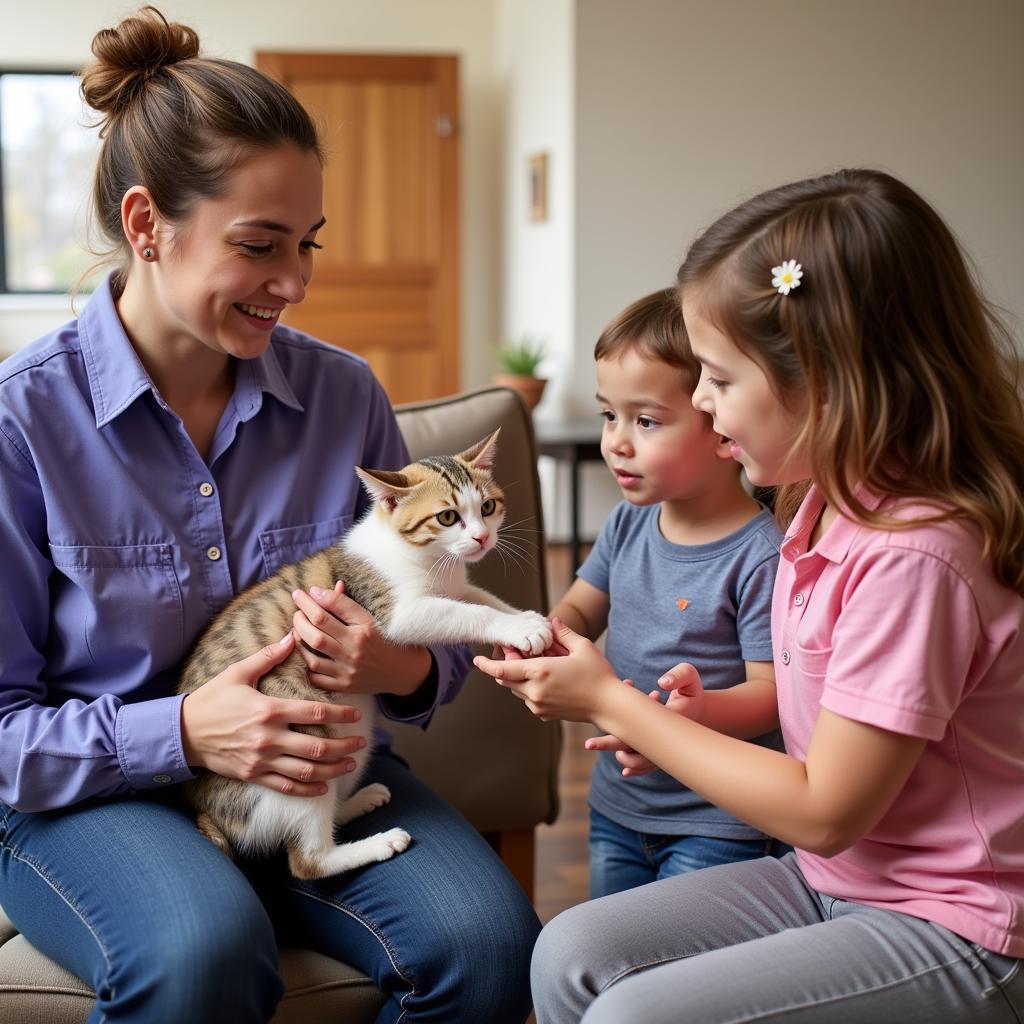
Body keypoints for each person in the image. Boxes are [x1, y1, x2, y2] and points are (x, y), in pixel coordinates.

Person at [0, 9, 538, 1024]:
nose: (294, 283)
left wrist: (401, 667)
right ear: (147, 223)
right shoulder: (21, 420)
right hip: (89, 799)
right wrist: (184, 731)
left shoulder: (344, 396)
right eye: (259, 246)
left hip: (315, 765)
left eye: (307, 244)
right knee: (203, 952)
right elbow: (1, 727)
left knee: (489, 944)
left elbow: (437, 635)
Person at [476, 168, 1024, 1022]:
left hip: (956, 922)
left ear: (828, 381)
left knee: (635, 1013)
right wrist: (692, 719)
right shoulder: (821, 510)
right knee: (572, 953)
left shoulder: (919, 555)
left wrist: (614, 703)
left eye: (720, 380)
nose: (698, 400)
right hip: (836, 882)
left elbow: (824, 810)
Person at [545, 288, 783, 898]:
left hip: (718, 822)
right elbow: (579, 608)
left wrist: (697, 712)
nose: (617, 442)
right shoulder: (629, 523)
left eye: (645, 421)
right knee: (613, 954)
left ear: (722, 431)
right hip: (618, 807)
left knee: (678, 980)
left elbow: (770, 696)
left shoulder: (760, 552)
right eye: (609, 415)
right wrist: (544, 637)